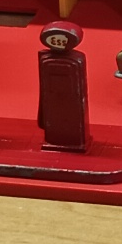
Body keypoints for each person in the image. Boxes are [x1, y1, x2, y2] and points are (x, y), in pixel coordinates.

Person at [35, 19, 89, 153]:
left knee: (72, 122)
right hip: (55, 98)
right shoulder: (46, 59)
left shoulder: (75, 60)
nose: (58, 42)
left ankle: (71, 141)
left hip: (71, 99)